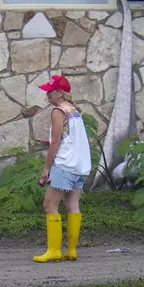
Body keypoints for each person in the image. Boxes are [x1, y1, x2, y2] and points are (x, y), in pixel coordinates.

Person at [34, 75, 91, 263]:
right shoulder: (74, 110)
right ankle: (71, 251)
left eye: (50, 92)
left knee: (50, 206)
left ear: (60, 93)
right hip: (79, 166)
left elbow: (57, 141)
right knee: (72, 205)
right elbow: (70, 138)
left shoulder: (58, 111)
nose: (47, 96)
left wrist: (46, 168)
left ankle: (54, 251)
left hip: (64, 165)